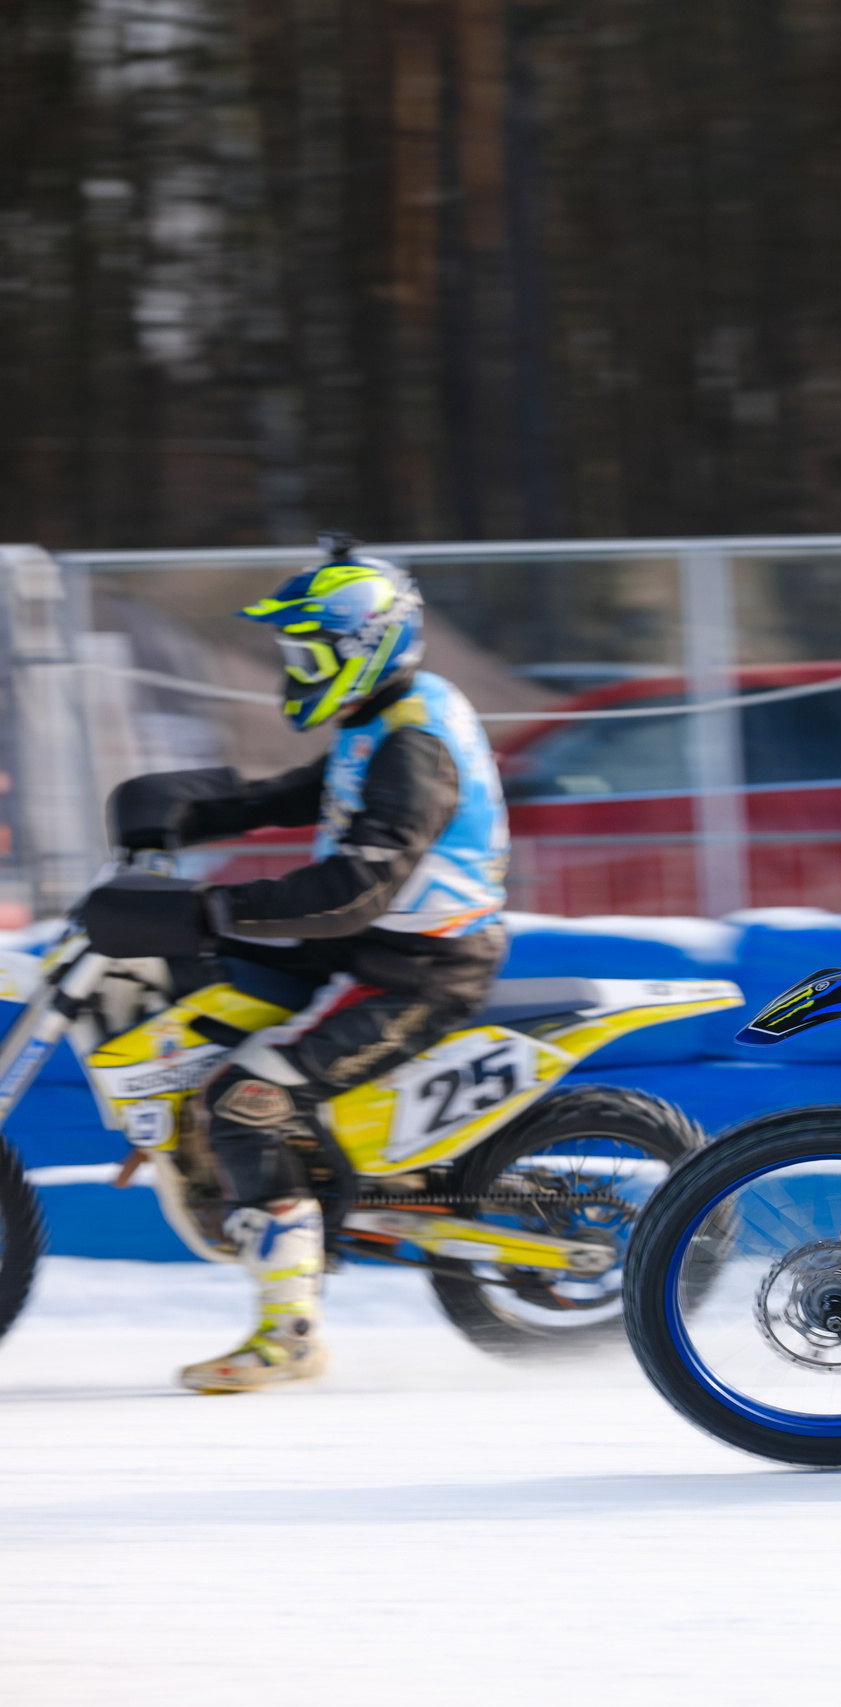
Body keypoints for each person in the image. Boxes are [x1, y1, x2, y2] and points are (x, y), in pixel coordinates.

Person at [83, 537, 509, 1393]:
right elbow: (300, 794)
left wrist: (212, 905)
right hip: (371, 946)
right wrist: (184, 811)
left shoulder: (414, 745)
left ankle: (290, 1334)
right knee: (204, 987)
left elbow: (355, 887)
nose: (294, 668)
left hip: (417, 970)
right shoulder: (384, 716)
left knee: (245, 1101)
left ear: (364, 647)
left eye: (309, 653)